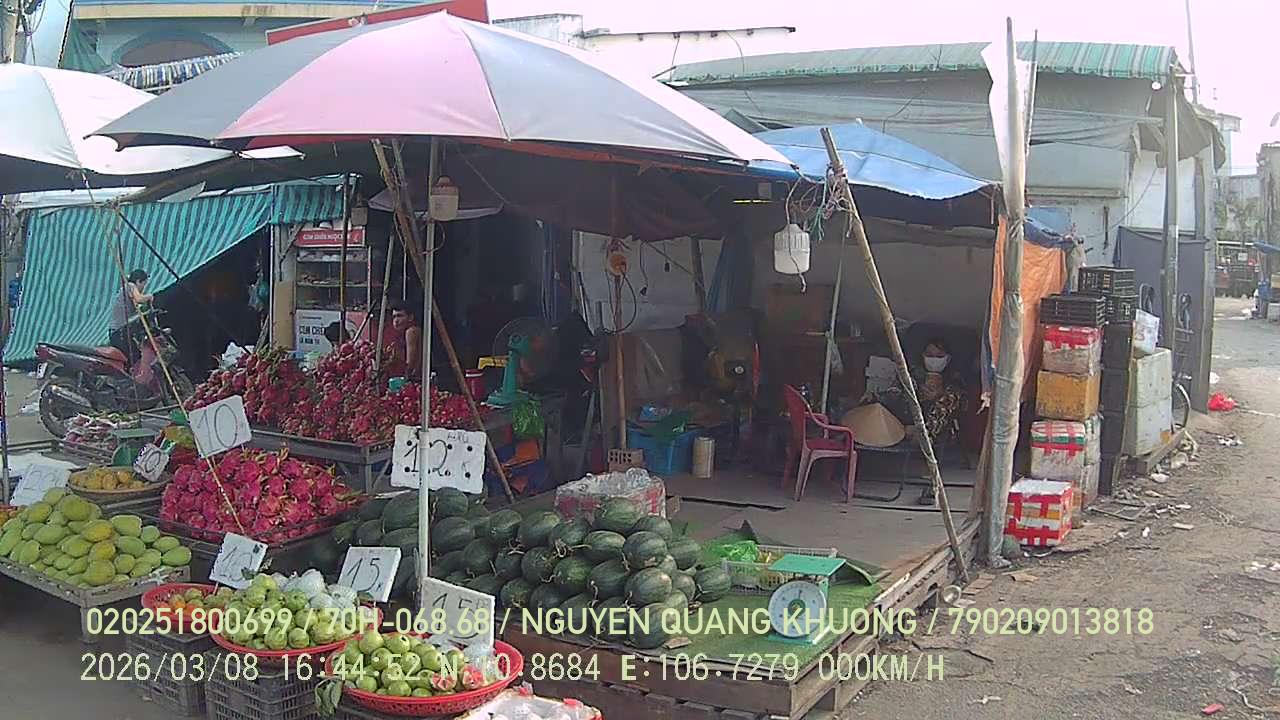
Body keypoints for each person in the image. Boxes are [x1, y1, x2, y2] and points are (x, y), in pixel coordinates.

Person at [109, 269, 152, 364]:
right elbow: (139, 299)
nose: (143, 288)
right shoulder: (130, 286)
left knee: (130, 360)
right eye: (143, 284)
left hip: (116, 333)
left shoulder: (125, 292)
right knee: (135, 358)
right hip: (120, 332)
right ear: (138, 281)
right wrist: (150, 296)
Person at [389, 299, 424, 377]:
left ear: (410, 317)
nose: (396, 321)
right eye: (394, 317)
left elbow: (410, 362)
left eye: (399, 316)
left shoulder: (411, 331)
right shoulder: (408, 332)